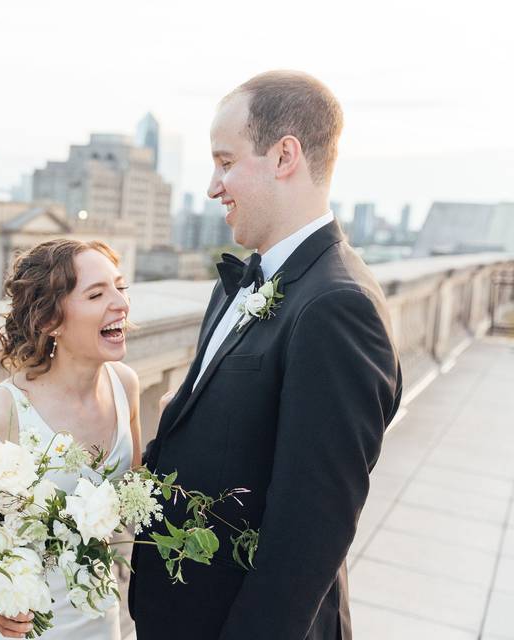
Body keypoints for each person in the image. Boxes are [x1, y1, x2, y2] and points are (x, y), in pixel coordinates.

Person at [129, 70, 402, 639]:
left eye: (225, 162)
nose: (212, 186)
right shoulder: (241, 281)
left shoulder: (337, 306)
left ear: (284, 156)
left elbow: (312, 529)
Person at [0, 238, 142, 639]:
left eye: (120, 287)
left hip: (99, 616)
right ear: (50, 320)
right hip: (22, 627)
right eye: (97, 294)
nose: (120, 303)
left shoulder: (125, 385)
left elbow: (135, 502)